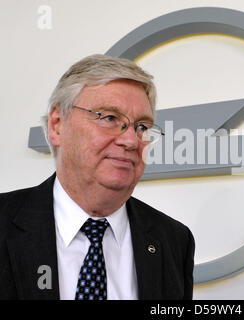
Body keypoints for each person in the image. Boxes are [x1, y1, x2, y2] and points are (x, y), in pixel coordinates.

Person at [0, 54, 195, 300]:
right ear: (57, 125)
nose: (131, 140)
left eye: (142, 127)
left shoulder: (174, 239)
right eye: (110, 118)